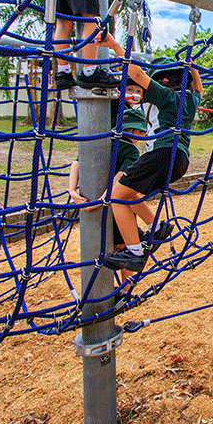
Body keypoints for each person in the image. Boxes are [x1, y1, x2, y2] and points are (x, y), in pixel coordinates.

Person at [96, 33, 203, 272]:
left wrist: (115, 46)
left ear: (163, 81)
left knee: (115, 196)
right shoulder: (191, 100)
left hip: (162, 153)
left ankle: (135, 252)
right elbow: (199, 90)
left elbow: (136, 75)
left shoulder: (165, 96)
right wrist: (193, 68)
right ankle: (157, 227)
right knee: (129, 193)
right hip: (180, 161)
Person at [67, 105, 148, 288]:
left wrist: (72, 190)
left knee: (102, 248)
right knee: (127, 250)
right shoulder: (131, 150)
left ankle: (105, 289)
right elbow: (118, 182)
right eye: (141, 133)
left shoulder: (102, 140)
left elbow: (77, 162)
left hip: (90, 200)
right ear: (135, 131)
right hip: (115, 206)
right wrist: (100, 201)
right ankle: (125, 290)